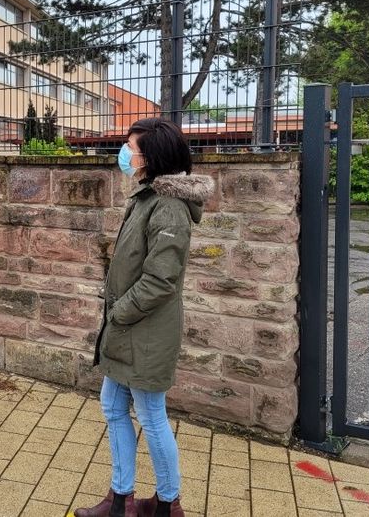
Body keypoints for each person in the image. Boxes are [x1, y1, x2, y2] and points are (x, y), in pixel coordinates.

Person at [77, 118, 214, 517]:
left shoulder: (169, 207)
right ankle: (120, 500)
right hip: (127, 330)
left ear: (152, 155)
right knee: (113, 407)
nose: (125, 153)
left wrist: (119, 312)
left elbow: (160, 280)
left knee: (152, 416)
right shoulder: (147, 197)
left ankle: (168, 503)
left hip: (144, 331)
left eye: (130, 146)